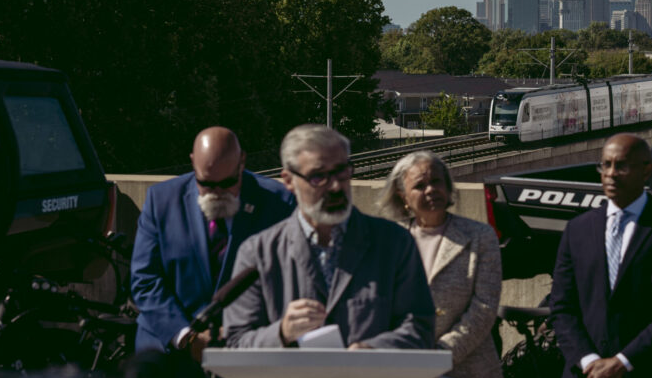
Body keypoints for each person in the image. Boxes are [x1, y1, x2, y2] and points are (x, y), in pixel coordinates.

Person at [224, 124, 435, 349]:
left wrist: (375, 350)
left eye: (341, 171)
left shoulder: (394, 243)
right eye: (318, 176)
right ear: (288, 181)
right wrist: (282, 333)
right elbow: (236, 342)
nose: (335, 186)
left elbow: (420, 330)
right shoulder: (258, 253)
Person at [549, 133, 652, 378]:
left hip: (649, 377)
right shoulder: (577, 230)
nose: (611, 173)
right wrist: (590, 363)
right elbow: (562, 307)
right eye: (605, 165)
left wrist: (621, 363)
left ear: (646, 170)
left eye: (622, 165)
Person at [130, 126, 296, 359]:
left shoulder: (279, 203)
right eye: (206, 184)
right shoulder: (161, 201)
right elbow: (145, 280)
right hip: (168, 348)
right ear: (192, 163)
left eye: (228, 182)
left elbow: (289, 279)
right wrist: (186, 336)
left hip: (245, 350)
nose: (217, 192)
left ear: (242, 162)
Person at [377, 151, 504, 378]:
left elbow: (484, 308)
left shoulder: (480, 236)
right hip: (405, 373)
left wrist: (439, 355)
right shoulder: (389, 240)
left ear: (448, 186)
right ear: (403, 196)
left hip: (472, 377)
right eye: (419, 185)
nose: (430, 190)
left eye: (436, 181)